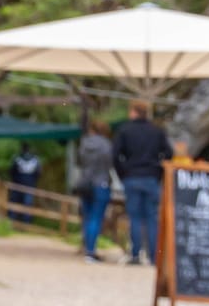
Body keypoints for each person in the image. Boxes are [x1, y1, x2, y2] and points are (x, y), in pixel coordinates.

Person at [112, 99, 173, 266]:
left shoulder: (125, 131)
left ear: (133, 112)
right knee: (152, 217)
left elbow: (115, 156)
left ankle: (135, 254)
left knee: (135, 217)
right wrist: (158, 171)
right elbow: (168, 153)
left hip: (132, 177)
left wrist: (123, 173)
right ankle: (154, 256)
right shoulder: (156, 131)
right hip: (151, 178)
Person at [74, 119, 116, 262]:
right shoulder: (106, 145)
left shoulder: (83, 144)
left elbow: (79, 162)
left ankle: (87, 248)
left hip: (85, 183)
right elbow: (111, 164)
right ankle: (91, 251)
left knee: (87, 217)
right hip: (101, 183)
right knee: (96, 218)